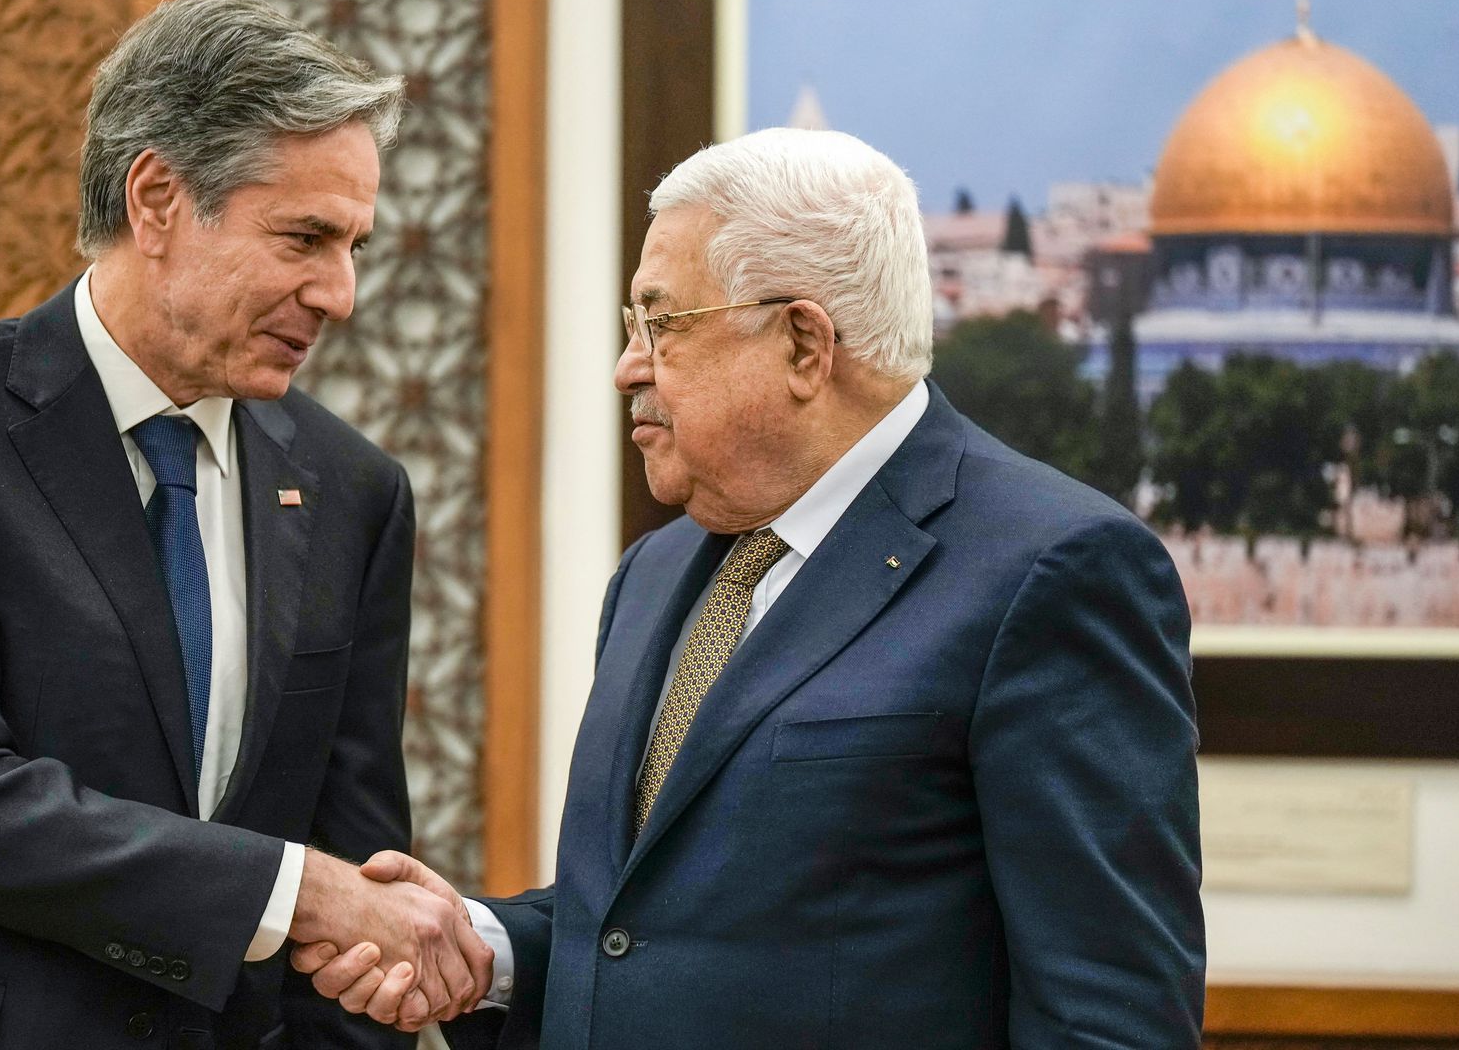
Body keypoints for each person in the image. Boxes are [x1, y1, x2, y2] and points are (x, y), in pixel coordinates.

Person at [295, 127, 1205, 1048]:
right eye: (630, 326)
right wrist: (489, 952)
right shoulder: (656, 574)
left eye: (663, 323)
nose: (628, 367)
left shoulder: (1055, 571)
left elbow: (1109, 1013)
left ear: (805, 344)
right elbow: (647, 927)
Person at [0, 0, 490, 1050]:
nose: (342, 293)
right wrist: (301, 891)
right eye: (307, 238)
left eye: (356, 245)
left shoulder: (355, 491)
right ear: (156, 201)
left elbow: (356, 867)